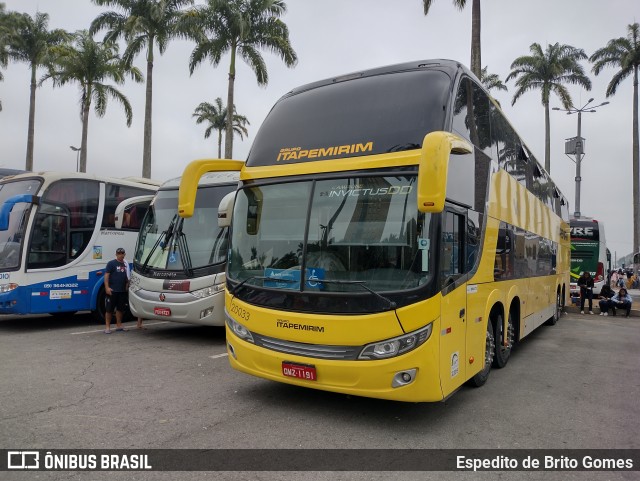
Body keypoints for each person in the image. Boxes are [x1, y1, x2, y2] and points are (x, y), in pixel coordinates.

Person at [104, 247, 129, 333]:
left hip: (122, 291)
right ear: (116, 254)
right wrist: (107, 288)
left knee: (120, 309)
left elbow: (127, 276)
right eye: (119, 253)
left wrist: (127, 285)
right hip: (113, 290)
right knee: (109, 309)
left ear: (124, 254)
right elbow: (106, 276)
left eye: (122, 253)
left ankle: (119, 325)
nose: (121, 255)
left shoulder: (125, 264)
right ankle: (107, 327)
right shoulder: (111, 263)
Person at [123, 254, 145, 330]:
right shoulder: (131, 264)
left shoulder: (144, 265)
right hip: (134, 285)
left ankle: (139, 324)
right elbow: (128, 276)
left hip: (138, 285)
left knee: (139, 303)